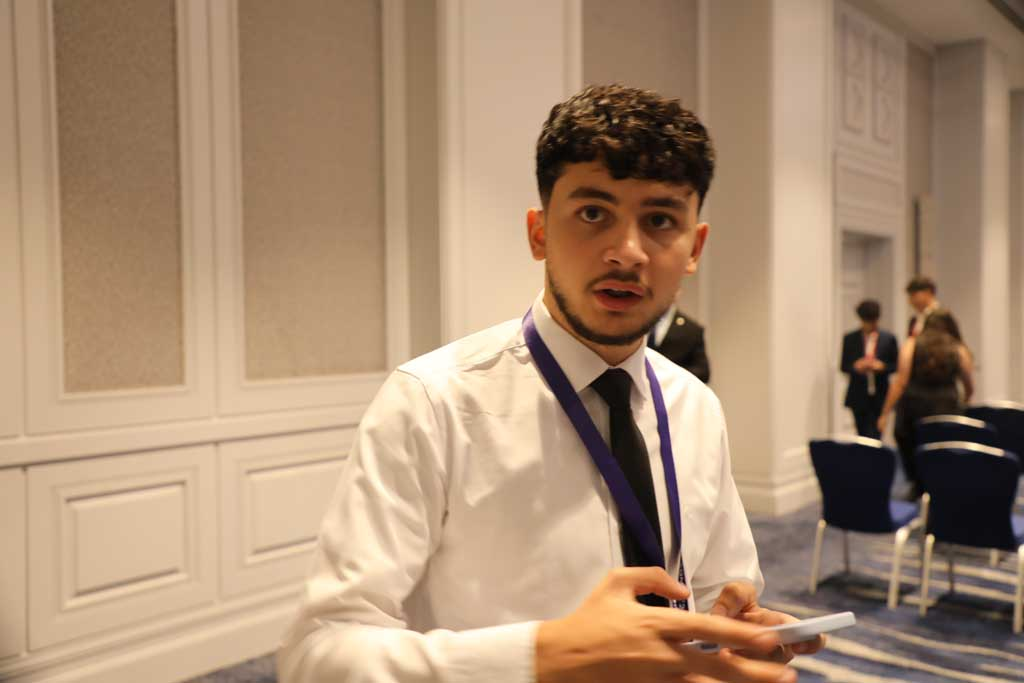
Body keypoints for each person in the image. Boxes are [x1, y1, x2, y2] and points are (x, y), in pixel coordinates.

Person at [277, 84, 822, 683]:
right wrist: (541, 655)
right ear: (539, 233)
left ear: (694, 247)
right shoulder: (433, 402)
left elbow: (720, 586)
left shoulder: (694, 405)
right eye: (593, 214)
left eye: (660, 220)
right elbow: (318, 653)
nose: (627, 252)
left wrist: (735, 632)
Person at [877, 310, 974, 497]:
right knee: (943, 452)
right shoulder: (958, 348)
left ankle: (918, 485)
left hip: (914, 410)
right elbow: (968, 384)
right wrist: (966, 401)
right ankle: (942, 487)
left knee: (912, 446)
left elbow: (900, 382)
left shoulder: (912, 345)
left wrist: (885, 413)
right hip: (947, 410)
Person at [839, 300, 898, 439]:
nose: (871, 325)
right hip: (858, 394)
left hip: (881, 393)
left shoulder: (888, 339)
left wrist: (882, 366)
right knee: (862, 434)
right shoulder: (850, 338)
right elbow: (844, 366)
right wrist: (856, 366)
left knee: (877, 434)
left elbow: (896, 365)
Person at [648, 303, 710, 382]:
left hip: (673, 385)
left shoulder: (691, 329)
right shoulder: (640, 322)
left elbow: (702, 371)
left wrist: (670, 374)